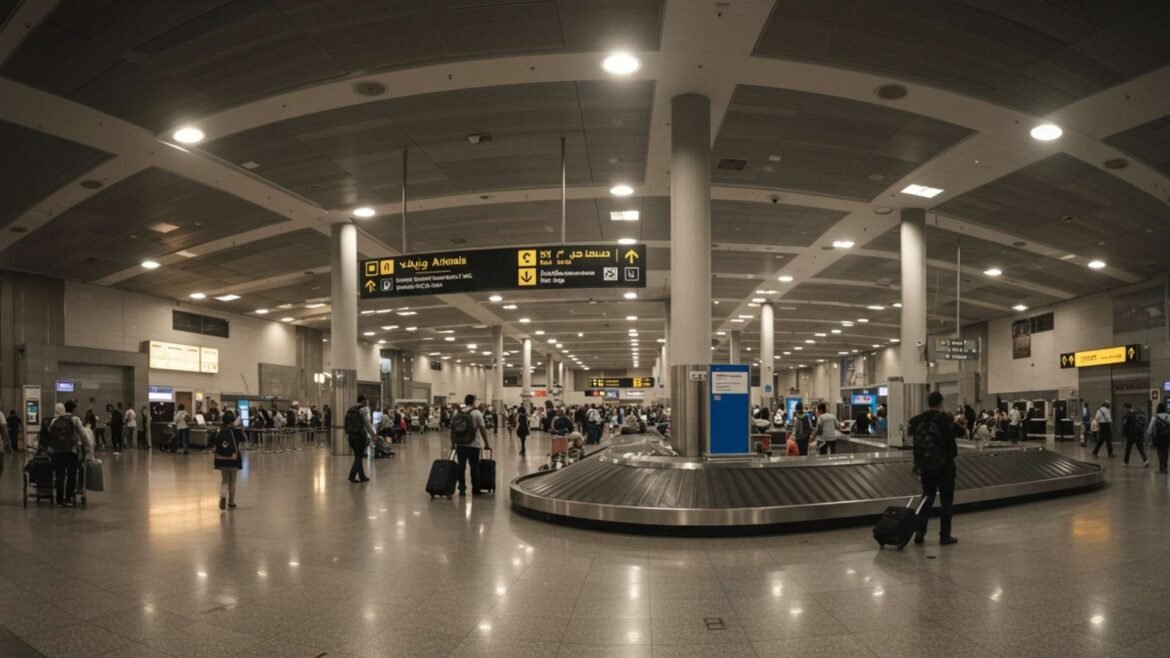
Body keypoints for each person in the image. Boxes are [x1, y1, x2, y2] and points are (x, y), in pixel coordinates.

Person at [909, 391, 958, 546]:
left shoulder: (917, 419)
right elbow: (957, 436)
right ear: (941, 402)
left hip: (926, 465)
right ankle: (945, 536)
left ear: (928, 402)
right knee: (946, 500)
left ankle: (919, 532)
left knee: (927, 498)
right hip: (945, 465)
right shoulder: (946, 419)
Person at [45, 401, 89, 507]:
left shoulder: (53, 421)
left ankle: (59, 500)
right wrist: (87, 446)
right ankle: (68, 499)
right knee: (71, 475)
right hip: (71, 452)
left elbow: (50, 436)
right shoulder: (75, 419)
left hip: (57, 452)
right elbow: (83, 435)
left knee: (59, 476)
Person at [449, 394, 490, 495]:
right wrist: (487, 444)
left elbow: (453, 430)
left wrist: (453, 443)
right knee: (474, 467)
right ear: (473, 401)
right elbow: (482, 429)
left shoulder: (458, 413)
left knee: (461, 467)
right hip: (473, 445)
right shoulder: (476, 413)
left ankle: (462, 488)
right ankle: (475, 489)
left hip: (460, 445)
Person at [213, 410, 245, 510]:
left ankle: (223, 496)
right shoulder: (235, 432)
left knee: (225, 481)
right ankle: (231, 502)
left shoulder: (218, 432)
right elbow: (244, 441)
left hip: (221, 460)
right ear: (232, 421)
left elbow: (213, 444)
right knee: (233, 482)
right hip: (233, 459)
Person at [344, 395, 376, 483]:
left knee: (358, 456)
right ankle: (352, 476)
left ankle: (362, 476)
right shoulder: (362, 410)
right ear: (363, 401)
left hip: (351, 437)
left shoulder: (350, 410)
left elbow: (346, 424)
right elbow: (367, 423)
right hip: (359, 437)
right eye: (365, 400)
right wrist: (373, 434)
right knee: (358, 457)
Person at [1121, 402, 1149, 467]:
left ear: (1126, 407)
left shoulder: (1128, 415)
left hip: (1131, 434)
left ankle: (1125, 462)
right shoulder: (1137, 413)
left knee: (1128, 449)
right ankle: (1145, 461)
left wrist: (1124, 434)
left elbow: (1125, 425)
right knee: (1140, 448)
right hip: (1139, 433)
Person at [1146, 402, 1170, 473]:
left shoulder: (1155, 417)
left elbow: (1151, 427)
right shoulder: (1168, 416)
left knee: (1160, 451)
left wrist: (1149, 433)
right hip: (1167, 436)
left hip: (1158, 436)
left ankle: (1161, 466)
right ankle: (1165, 466)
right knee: (1166, 451)